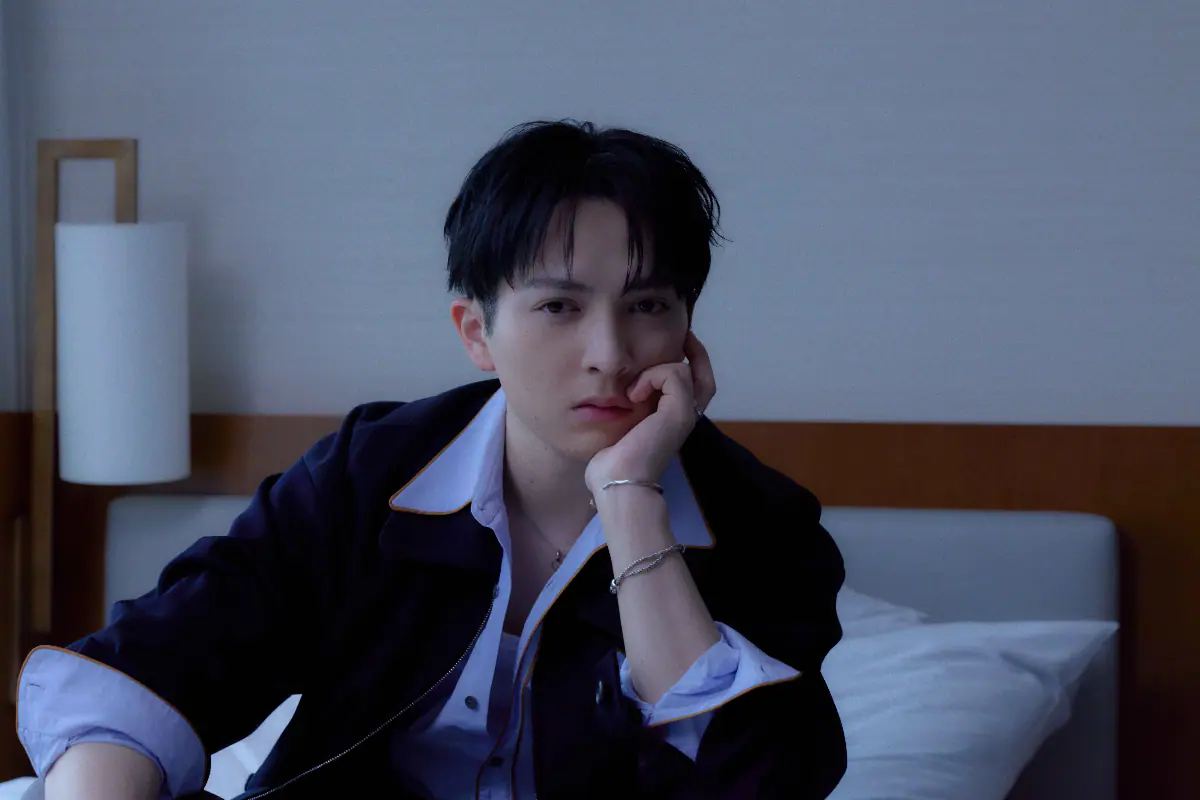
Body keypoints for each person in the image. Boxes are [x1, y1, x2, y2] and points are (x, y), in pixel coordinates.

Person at [15, 120, 846, 799]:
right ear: (477, 333)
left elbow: (756, 779)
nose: (609, 352)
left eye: (648, 305)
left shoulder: (763, 526)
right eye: (559, 306)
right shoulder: (369, 474)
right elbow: (152, 670)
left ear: (686, 332)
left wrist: (630, 498)